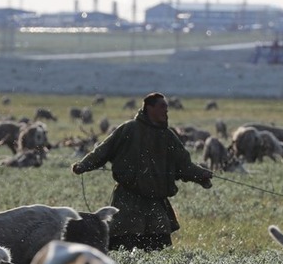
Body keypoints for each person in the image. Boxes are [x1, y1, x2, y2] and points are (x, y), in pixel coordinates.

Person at [71, 92, 213, 251]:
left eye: (166, 107)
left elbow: (184, 165)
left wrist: (201, 175)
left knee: (159, 250)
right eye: (162, 107)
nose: (166, 111)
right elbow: (103, 151)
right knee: (123, 247)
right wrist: (83, 165)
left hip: (155, 204)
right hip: (127, 202)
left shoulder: (167, 136)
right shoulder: (128, 129)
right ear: (149, 108)